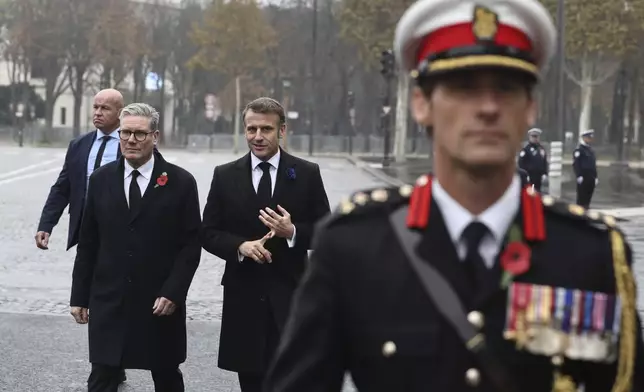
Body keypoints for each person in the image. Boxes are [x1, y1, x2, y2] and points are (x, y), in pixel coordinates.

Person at [264, 1, 644, 391]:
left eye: (507, 89)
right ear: (421, 104)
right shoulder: (354, 245)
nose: (488, 107)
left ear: (531, 108)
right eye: (464, 88)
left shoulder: (587, 253)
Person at [201, 97, 330, 392]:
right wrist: (240, 247)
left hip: (291, 293)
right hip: (243, 295)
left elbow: (326, 231)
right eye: (251, 129)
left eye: (266, 129)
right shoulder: (224, 175)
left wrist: (292, 231)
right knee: (251, 381)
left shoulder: (306, 173)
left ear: (282, 130)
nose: (258, 137)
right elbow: (208, 232)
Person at [69, 103, 202, 392]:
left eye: (140, 134)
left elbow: (191, 245)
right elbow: (88, 243)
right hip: (110, 298)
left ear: (155, 137)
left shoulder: (180, 182)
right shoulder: (101, 180)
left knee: (166, 373)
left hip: (158, 300)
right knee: (103, 374)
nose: (131, 140)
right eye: (126, 132)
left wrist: (173, 292)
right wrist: (79, 295)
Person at [35, 88, 128, 384]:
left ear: (119, 113)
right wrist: (46, 224)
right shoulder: (79, 145)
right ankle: (107, 361)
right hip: (88, 234)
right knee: (96, 295)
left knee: (114, 297)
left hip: (122, 236)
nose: (98, 113)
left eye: (105, 108)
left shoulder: (132, 144)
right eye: (96, 107)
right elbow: (63, 186)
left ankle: (109, 362)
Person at [573, 129, 598, 208]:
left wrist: (595, 176)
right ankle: (579, 216)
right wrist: (579, 175)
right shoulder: (579, 150)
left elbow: (593, 165)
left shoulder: (590, 150)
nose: (590, 139)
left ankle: (586, 213)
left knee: (588, 198)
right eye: (588, 137)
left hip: (591, 177)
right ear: (584, 138)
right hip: (583, 177)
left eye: (590, 138)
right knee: (581, 199)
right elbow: (576, 164)